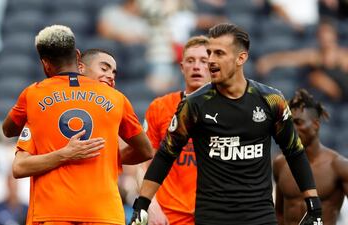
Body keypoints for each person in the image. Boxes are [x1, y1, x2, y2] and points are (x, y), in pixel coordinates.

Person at [129, 23, 323, 225]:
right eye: (210, 53)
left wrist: (314, 206)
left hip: (260, 217)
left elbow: (294, 152)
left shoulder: (271, 100)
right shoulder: (194, 105)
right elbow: (165, 156)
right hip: (213, 218)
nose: (211, 60)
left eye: (219, 53)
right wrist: (142, 204)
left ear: (241, 58)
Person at [9, 25, 154, 225]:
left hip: (61, 212)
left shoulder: (39, 99)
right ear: (80, 65)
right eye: (104, 68)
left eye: (114, 72)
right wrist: (67, 154)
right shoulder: (116, 100)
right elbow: (19, 167)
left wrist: (109, 157)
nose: (111, 75)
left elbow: (10, 135)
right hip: (94, 213)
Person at [143, 35, 211, 225]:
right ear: (182, 67)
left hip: (214, 212)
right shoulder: (160, 107)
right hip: (168, 215)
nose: (196, 66)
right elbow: (145, 163)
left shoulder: (232, 111)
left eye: (203, 61)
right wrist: (151, 203)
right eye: (190, 60)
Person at [273, 89, 348, 225]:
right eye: (290, 123)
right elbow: (278, 213)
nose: (293, 129)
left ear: (316, 125)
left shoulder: (338, 165)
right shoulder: (280, 163)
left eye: (299, 122)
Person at [256, 18, 348, 102]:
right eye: (321, 34)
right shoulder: (315, 56)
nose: (324, 37)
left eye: (327, 33)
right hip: (324, 101)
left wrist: (330, 86)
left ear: (334, 35)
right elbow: (291, 58)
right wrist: (269, 61)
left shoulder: (343, 56)